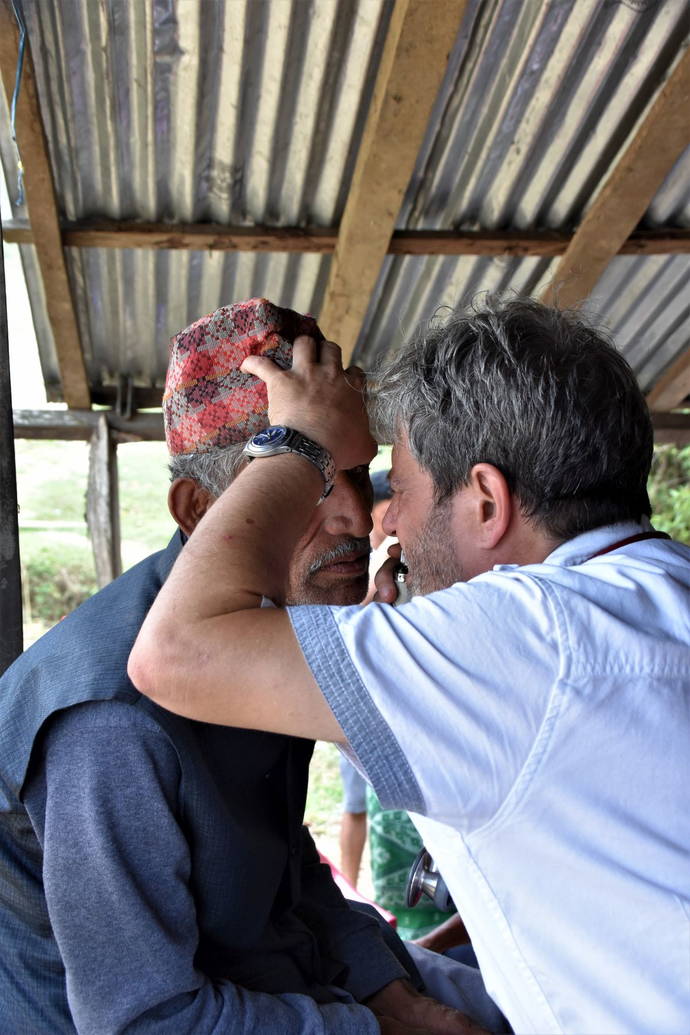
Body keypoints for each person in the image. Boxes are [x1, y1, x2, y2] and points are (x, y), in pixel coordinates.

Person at [128, 295, 690, 1034]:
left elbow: (175, 652)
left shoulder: (519, 638)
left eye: (395, 485)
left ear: (487, 501)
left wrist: (297, 443)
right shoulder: (656, 586)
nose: (377, 518)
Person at [0, 299, 500, 1034]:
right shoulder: (111, 724)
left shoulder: (270, 629)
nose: (358, 518)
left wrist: (385, 985)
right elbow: (149, 1018)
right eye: (302, 481)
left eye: (360, 476)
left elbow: (278, 859)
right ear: (198, 510)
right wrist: (380, 1027)